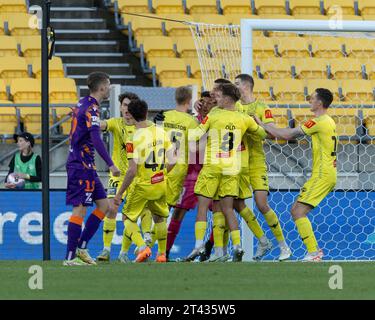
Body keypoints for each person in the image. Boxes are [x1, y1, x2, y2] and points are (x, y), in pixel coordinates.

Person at [187, 83, 267, 262]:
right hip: (232, 168)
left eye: (218, 96)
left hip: (213, 166)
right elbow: (262, 134)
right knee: (229, 209)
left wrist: (192, 125)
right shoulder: (243, 118)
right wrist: (258, 124)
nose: (215, 99)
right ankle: (237, 246)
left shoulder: (214, 114)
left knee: (202, 207)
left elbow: (195, 135)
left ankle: (199, 245)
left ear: (227, 98)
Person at [255, 88, 337, 262]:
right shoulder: (328, 121)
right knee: (297, 210)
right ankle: (313, 252)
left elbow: (288, 134)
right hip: (325, 173)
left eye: (312, 98)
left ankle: (314, 253)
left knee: (298, 211)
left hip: (323, 174)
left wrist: (262, 124)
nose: (309, 100)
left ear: (319, 103)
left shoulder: (319, 121)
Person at [64, 72, 120, 266]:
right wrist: (111, 163)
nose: (110, 88)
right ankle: (70, 258)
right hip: (81, 165)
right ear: (102, 88)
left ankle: (81, 248)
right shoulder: (92, 109)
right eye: (109, 85)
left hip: (87, 165)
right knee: (79, 209)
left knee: (105, 206)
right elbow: (96, 138)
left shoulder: (83, 102)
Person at [234, 74, 291, 261]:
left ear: (246, 86)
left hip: (257, 162)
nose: (234, 87)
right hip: (237, 162)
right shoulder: (235, 107)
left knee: (261, 204)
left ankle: (284, 247)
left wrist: (258, 123)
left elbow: (271, 133)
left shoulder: (262, 107)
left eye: (236, 84)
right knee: (235, 203)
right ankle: (263, 240)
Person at [113, 99, 177, 263]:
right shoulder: (161, 132)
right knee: (160, 218)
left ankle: (142, 247)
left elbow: (132, 171)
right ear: (147, 112)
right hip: (160, 183)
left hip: (142, 186)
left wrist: (119, 193)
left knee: (127, 218)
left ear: (131, 116)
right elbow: (173, 160)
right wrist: (161, 174)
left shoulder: (132, 139)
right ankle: (161, 254)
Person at [96, 92, 153, 263]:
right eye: (124, 105)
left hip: (137, 177)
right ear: (120, 107)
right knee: (111, 208)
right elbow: (100, 125)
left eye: (129, 106)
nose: (126, 109)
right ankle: (106, 250)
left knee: (132, 215)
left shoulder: (145, 126)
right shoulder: (116, 123)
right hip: (118, 175)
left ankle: (123, 253)